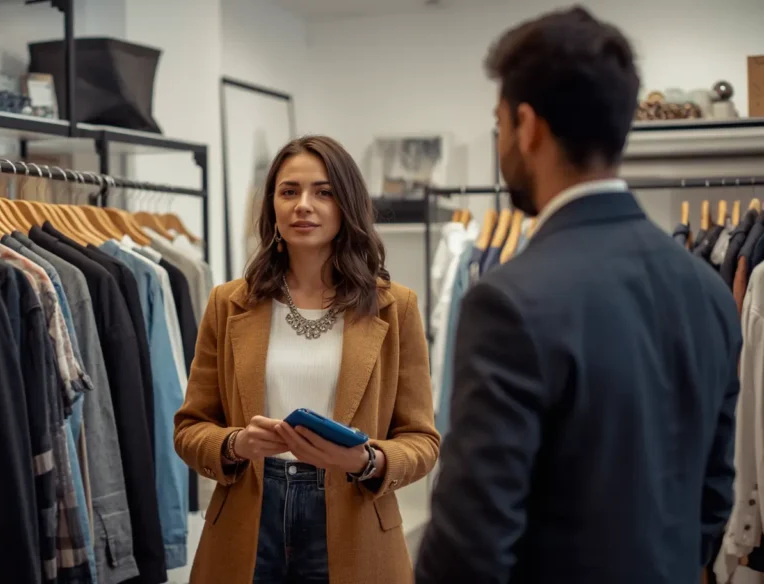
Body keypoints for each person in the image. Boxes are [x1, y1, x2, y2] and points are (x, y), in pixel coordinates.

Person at [415, 7, 742, 584]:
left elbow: (470, 544)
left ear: (527, 125)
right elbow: (714, 495)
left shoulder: (510, 300)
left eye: (498, 123)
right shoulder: (707, 290)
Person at [174, 135, 440, 583]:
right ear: (272, 206)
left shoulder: (396, 308)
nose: (303, 205)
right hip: (248, 516)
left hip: (354, 516)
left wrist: (367, 461)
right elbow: (190, 427)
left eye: (323, 191)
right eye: (289, 191)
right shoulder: (228, 304)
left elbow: (422, 441)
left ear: (347, 205)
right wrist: (235, 444)